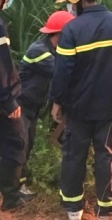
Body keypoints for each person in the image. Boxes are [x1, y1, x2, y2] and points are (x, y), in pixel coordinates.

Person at [49, 0, 112, 220]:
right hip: (110, 105)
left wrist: (56, 101)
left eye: (68, 1)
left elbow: (63, 71)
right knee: (106, 154)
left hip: (77, 107)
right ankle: (106, 210)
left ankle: (73, 209)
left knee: (73, 155)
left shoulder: (71, 30)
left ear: (76, 0)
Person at [17, 11, 75, 195]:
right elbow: (61, 74)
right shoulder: (39, 51)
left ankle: (18, 186)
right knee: (20, 146)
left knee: (27, 145)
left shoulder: (54, 51)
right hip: (19, 106)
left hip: (31, 108)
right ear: (60, 34)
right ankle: (12, 190)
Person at [0, 0, 34, 211]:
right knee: (16, 140)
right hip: (3, 98)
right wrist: (9, 100)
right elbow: (1, 67)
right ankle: (11, 197)